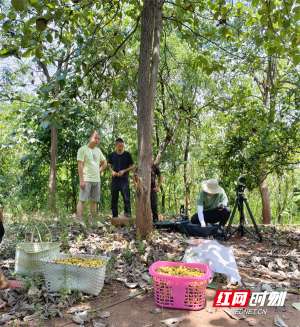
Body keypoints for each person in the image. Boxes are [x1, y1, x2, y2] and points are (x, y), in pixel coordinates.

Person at [76, 130, 107, 224]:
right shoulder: (82, 149)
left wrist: (99, 170)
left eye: (98, 139)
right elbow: (80, 165)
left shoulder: (98, 150)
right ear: (90, 138)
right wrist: (81, 180)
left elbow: (104, 163)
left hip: (96, 180)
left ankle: (93, 221)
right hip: (86, 179)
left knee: (94, 201)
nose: (97, 140)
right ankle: (79, 220)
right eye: (95, 138)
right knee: (82, 200)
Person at [107, 138, 134, 218]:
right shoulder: (112, 155)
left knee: (126, 198)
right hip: (115, 180)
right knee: (114, 199)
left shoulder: (127, 154)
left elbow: (132, 166)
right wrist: (112, 171)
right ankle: (115, 216)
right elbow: (108, 164)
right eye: (119, 146)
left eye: (122, 146)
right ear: (116, 146)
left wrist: (124, 171)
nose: (121, 147)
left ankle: (128, 215)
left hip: (124, 180)